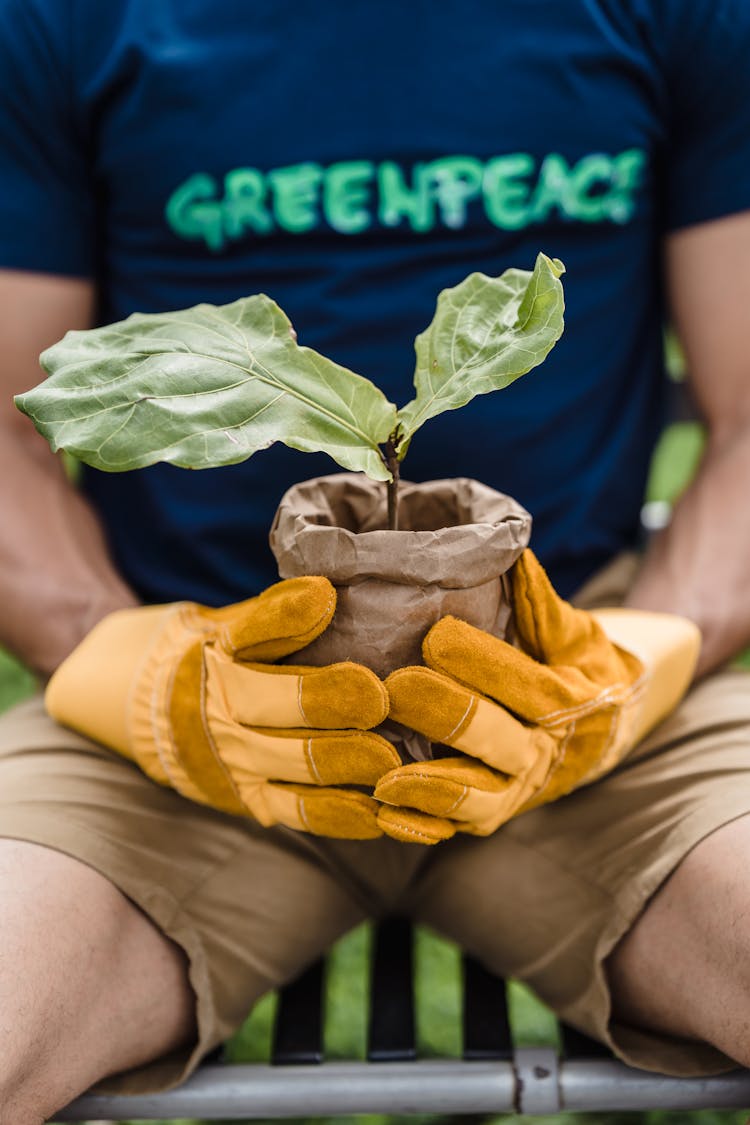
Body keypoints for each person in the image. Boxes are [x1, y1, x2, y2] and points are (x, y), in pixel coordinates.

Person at [1, 0, 750, 1119]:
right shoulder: (66, 22)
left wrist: (646, 653)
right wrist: (134, 675)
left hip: (573, 683)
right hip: (202, 694)